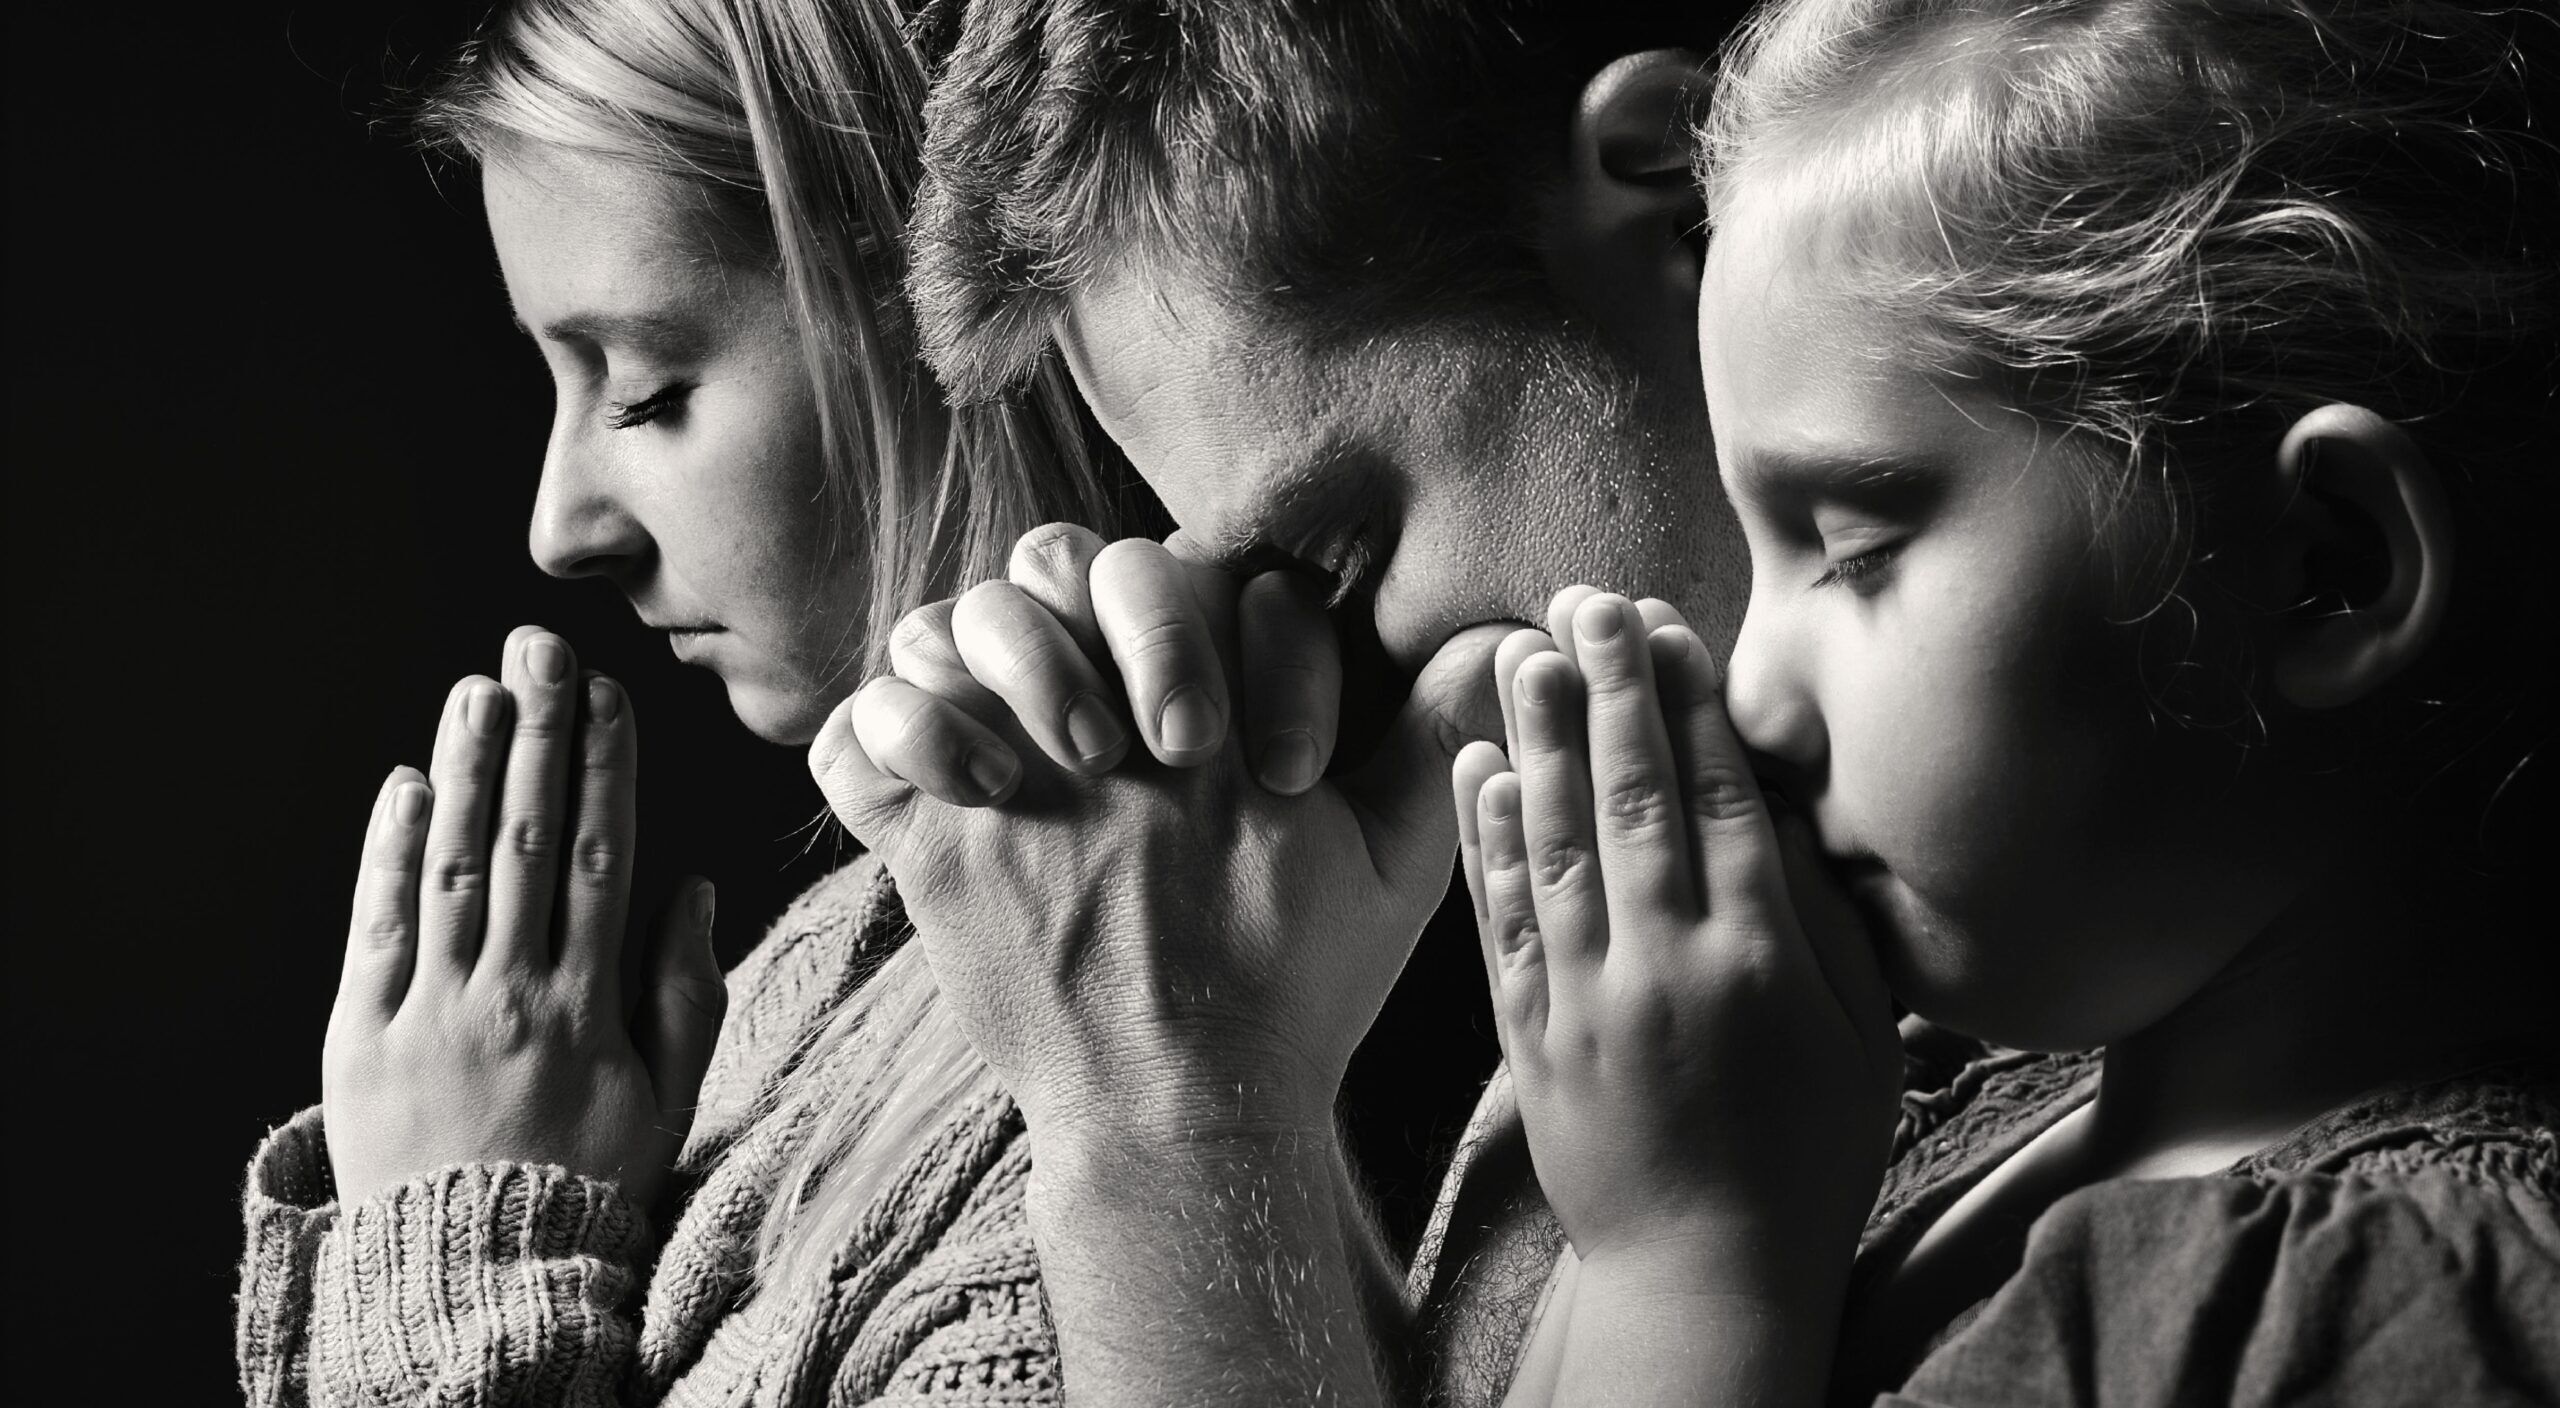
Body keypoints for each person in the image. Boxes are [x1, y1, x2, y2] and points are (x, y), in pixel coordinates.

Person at [818, 0, 2556, 1404]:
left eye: (1344, 550)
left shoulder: (2361, 1276)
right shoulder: (1766, 1053)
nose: (1333, 672)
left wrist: (1169, 1119)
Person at [1459, 0, 2560, 1399]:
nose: (1753, 696)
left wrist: (1685, 1263)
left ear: (2327, 570)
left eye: (1852, 553)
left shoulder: (2397, 1311)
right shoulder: (1923, 1096)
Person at [233, 0, 1138, 1402]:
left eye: (644, 390)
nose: (559, 525)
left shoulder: (1143, 1087)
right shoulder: (817, 981)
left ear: (948, 298)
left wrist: (454, 1260)